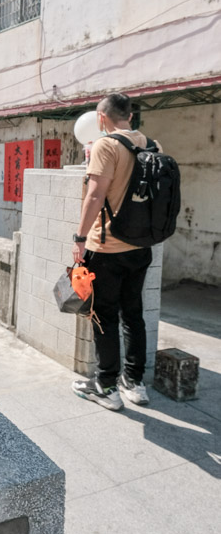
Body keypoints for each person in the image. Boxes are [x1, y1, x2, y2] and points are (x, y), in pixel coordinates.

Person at [71, 93, 157, 410]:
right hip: (142, 247)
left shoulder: (106, 146)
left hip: (107, 247)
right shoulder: (152, 145)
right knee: (133, 314)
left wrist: (79, 237)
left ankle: (106, 387)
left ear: (102, 118)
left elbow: (95, 196)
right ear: (130, 117)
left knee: (104, 316)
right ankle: (134, 383)